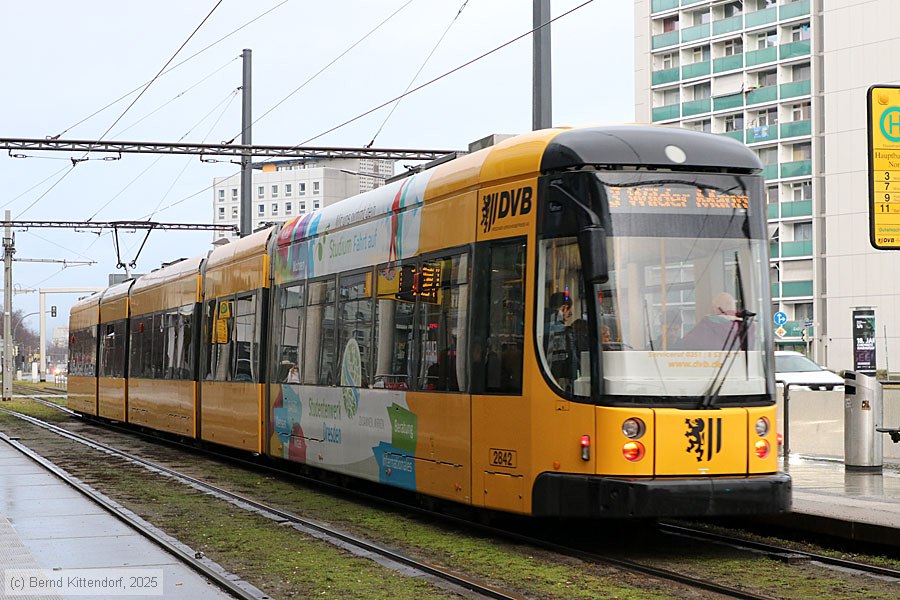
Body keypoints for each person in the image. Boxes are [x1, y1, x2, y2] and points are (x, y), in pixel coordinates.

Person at [673, 292, 752, 351]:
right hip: (739, 371)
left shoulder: (705, 326)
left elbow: (684, 346)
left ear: (716, 308)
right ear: (733, 306)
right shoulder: (749, 327)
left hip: (711, 369)